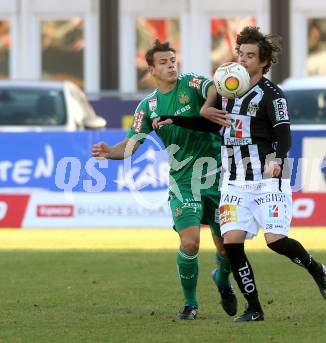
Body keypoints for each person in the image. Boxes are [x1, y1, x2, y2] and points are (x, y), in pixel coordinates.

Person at [156, 26, 326, 322]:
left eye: (250, 56)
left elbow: (284, 135)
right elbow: (212, 125)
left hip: (268, 178)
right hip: (235, 180)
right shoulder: (227, 91)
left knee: (276, 240)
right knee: (232, 244)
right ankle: (254, 308)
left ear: (263, 62)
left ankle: (315, 267)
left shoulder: (272, 96)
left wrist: (277, 158)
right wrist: (176, 119)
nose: (243, 60)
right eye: (240, 53)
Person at [91, 39, 236, 320]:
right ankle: (190, 304)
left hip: (218, 178)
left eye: (172, 60)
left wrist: (206, 108)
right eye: (163, 62)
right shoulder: (148, 107)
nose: (171, 65)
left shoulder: (192, 83)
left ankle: (222, 279)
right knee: (190, 242)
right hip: (184, 183)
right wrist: (111, 153)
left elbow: (216, 88)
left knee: (227, 247)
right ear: (151, 70)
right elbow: (133, 144)